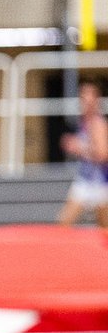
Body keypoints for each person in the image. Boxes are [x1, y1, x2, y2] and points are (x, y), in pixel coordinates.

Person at [58, 77, 108, 227]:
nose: (85, 101)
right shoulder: (83, 122)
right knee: (63, 223)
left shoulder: (98, 123)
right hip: (85, 179)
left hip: (100, 183)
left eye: (89, 96)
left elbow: (102, 154)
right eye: (82, 97)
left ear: (96, 100)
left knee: (104, 229)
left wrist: (79, 147)